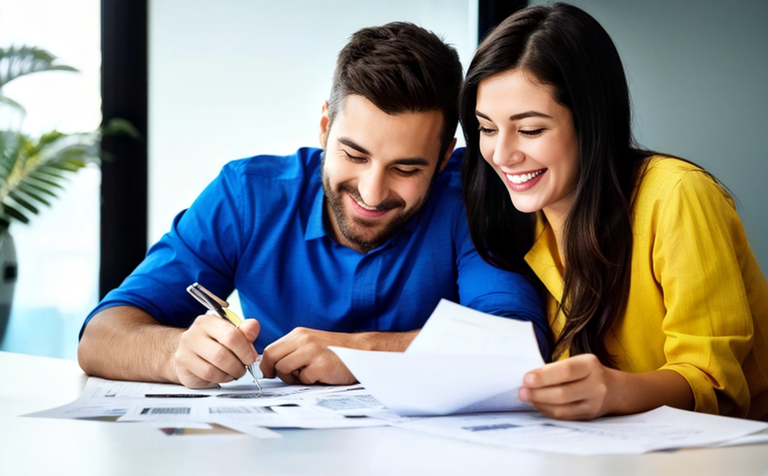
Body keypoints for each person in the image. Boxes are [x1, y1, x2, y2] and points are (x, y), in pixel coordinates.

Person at [78, 21, 549, 389]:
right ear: (325, 126)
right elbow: (101, 336)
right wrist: (176, 351)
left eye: (405, 169)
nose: (370, 191)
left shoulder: (473, 194)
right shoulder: (247, 195)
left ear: (444, 155)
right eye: (354, 154)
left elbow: (517, 344)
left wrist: (362, 353)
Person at [459, 3, 768, 421]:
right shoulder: (519, 218)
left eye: (530, 129)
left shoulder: (677, 194)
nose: (502, 154)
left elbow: (720, 385)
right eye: (487, 128)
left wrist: (615, 390)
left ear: (590, 121)